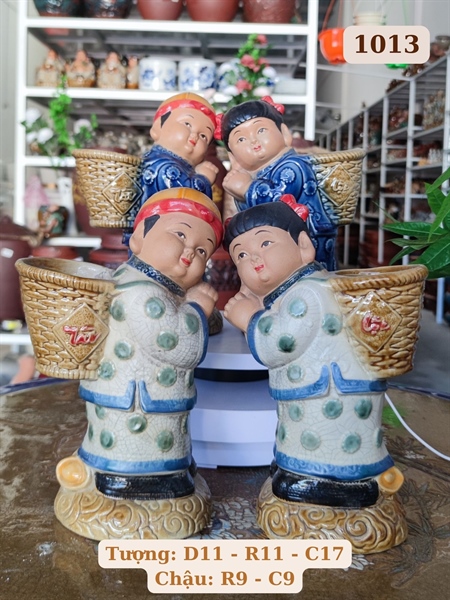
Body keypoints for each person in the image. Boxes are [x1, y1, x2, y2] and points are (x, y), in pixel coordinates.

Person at [223, 197, 403, 509]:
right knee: (305, 438)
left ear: (304, 246)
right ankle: (304, 473)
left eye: (265, 243)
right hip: (315, 393)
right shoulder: (298, 290)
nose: (253, 258)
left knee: (328, 442)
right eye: (241, 255)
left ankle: (333, 485)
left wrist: (249, 318)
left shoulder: (309, 292)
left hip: (330, 395)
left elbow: (280, 343)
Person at [59, 187, 223, 502]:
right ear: (139, 238)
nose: (190, 252)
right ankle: (131, 481)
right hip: (137, 403)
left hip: (140, 399)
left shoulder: (148, 285)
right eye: (179, 235)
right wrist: (197, 309)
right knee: (139, 448)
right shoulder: (142, 293)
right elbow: (179, 346)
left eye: (203, 250)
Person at [220, 97, 338, 270]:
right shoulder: (257, 175)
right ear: (233, 156)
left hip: (308, 238)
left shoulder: (293, 165)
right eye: (241, 139)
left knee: (311, 276)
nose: (253, 141)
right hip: (275, 243)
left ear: (284, 134)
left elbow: (279, 203)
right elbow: (254, 213)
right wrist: (239, 191)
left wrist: (247, 189)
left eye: (261, 130)